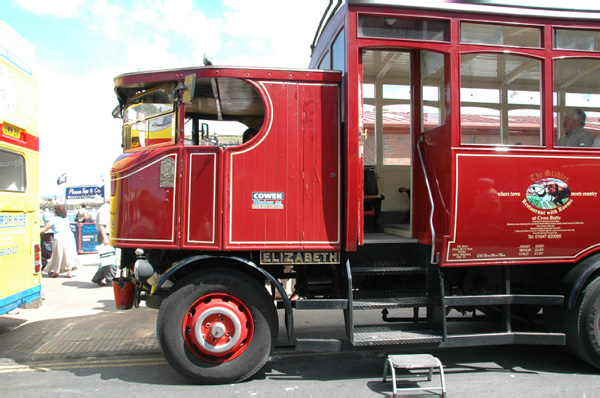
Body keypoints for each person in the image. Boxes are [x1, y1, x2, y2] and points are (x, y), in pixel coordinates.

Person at [40, 205, 80, 278]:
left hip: (59, 236)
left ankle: (56, 271)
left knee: (58, 254)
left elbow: (46, 228)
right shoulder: (66, 219)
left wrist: (37, 231)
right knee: (69, 254)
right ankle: (69, 271)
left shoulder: (53, 219)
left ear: (56, 212)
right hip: (69, 235)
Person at [92, 200, 117, 286]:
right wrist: (105, 238)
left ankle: (98, 278)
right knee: (110, 260)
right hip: (106, 235)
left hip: (108, 235)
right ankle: (110, 280)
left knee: (107, 259)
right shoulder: (104, 209)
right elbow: (101, 225)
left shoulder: (106, 208)